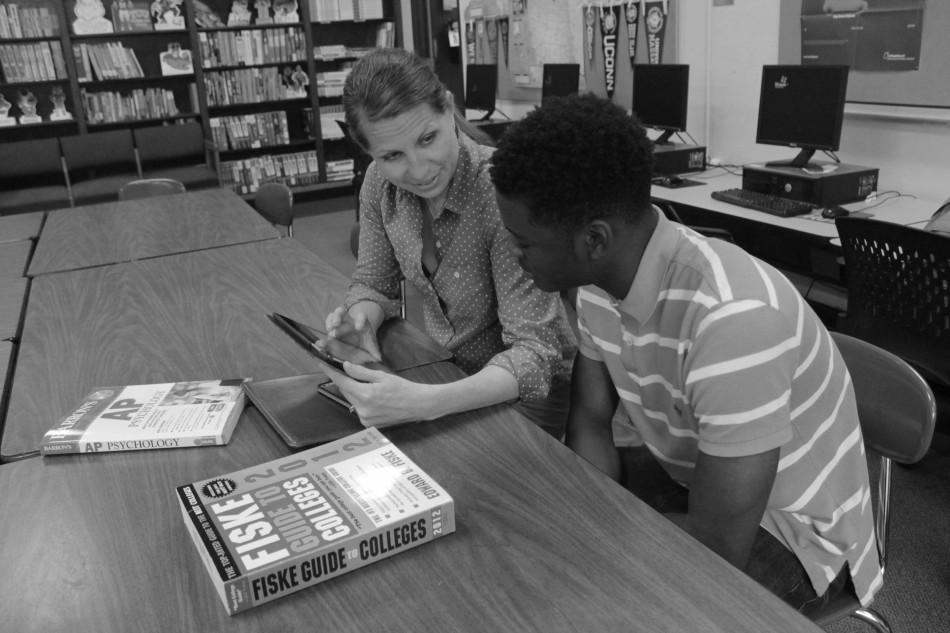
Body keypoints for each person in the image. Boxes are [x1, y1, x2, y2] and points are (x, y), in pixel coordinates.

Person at [489, 93, 882, 614]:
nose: (513, 256)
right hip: (699, 478)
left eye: (523, 242)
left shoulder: (731, 319)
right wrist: (587, 519)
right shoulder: (595, 285)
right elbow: (589, 419)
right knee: (534, 527)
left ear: (595, 239)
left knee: (604, 605)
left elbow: (719, 547)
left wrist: (596, 544)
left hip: (797, 535)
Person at [321, 48, 574, 437]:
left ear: (449, 109)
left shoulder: (500, 190)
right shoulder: (378, 183)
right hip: (445, 376)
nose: (419, 169)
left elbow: (534, 354)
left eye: (428, 138)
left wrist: (424, 404)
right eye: (392, 155)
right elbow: (374, 283)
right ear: (368, 152)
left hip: (526, 400)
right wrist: (362, 322)